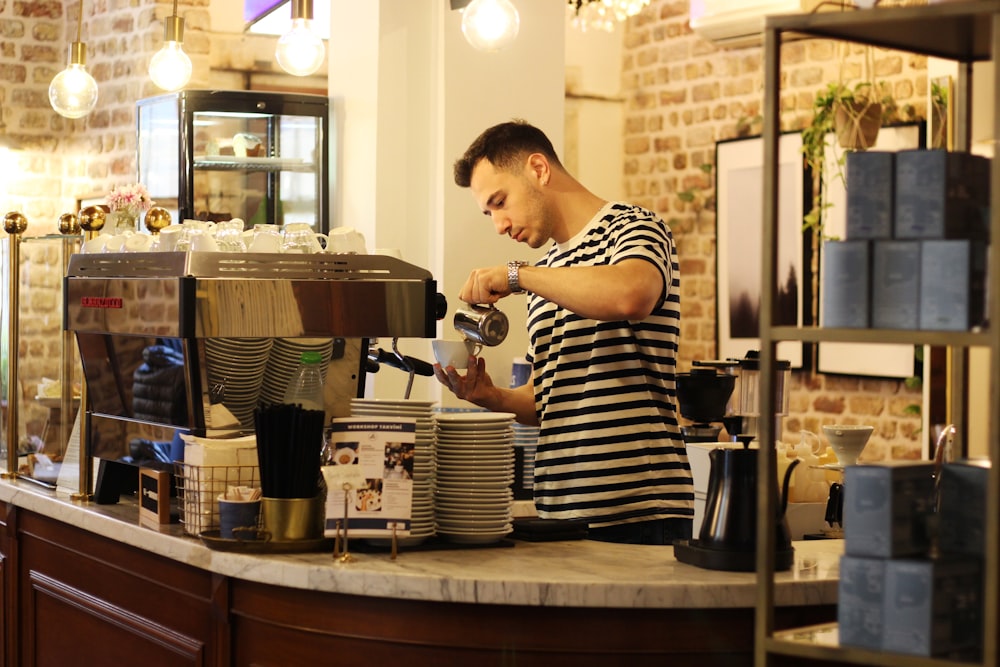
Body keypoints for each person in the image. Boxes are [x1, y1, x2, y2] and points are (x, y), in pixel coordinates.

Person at [434, 119, 692, 545]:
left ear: (538, 169)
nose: (498, 224)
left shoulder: (634, 228)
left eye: (499, 202)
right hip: (560, 512)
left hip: (640, 511)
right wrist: (491, 397)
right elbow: (549, 400)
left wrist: (518, 276)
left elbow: (632, 293)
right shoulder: (545, 273)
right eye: (488, 213)